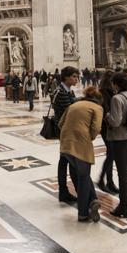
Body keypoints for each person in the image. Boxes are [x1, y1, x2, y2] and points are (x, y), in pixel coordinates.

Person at [58, 86, 103, 222]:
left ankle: (93, 200)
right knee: (83, 178)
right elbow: (96, 128)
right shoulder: (97, 108)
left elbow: (60, 123)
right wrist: (89, 137)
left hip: (65, 143)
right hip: (81, 143)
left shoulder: (74, 104)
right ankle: (83, 214)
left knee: (82, 174)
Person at [106, 72, 127, 219]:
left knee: (122, 173)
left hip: (120, 139)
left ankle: (123, 206)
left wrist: (107, 115)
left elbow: (115, 121)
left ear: (116, 84)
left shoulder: (116, 98)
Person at [53, 66, 80, 203]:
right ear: (66, 77)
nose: (76, 79)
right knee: (68, 160)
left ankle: (64, 190)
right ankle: (68, 190)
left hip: (68, 129)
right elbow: (71, 111)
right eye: (74, 76)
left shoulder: (68, 91)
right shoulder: (62, 92)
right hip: (64, 129)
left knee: (65, 160)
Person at [97, 70, 119, 194]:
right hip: (107, 127)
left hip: (109, 126)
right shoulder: (104, 93)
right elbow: (106, 110)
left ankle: (109, 182)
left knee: (111, 154)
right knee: (111, 153)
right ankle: (102, 180)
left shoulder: (109, 92)